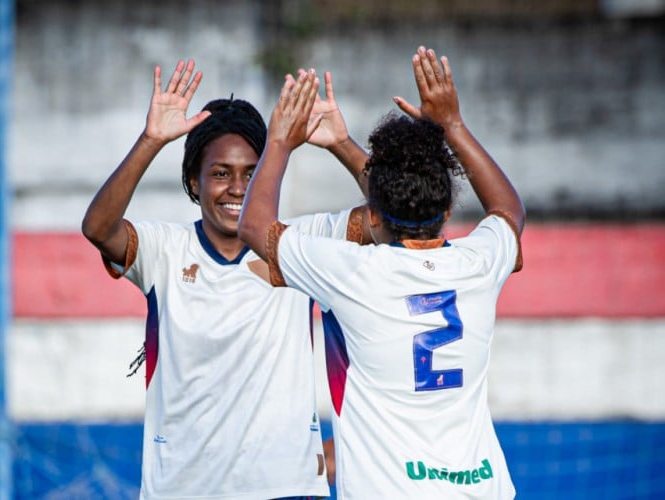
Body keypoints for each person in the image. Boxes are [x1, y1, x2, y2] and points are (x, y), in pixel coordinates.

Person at [238, 46, 525, 499]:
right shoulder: (478, 265)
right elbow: (508, 209)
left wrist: (279, 141)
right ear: (449, 207)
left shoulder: (353, 272)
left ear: (371, 216)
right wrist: (452, 125)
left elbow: (254, 226)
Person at [81, 59, 370, 499]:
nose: (237, 188)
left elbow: (395, 215)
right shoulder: (164, 250)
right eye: (220, 173)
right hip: (182, 489)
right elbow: (98, 228)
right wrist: (151, 140)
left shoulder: (301, 244)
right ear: (193, 183)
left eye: (251, 173)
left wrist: (343, 144)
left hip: (287, 489)